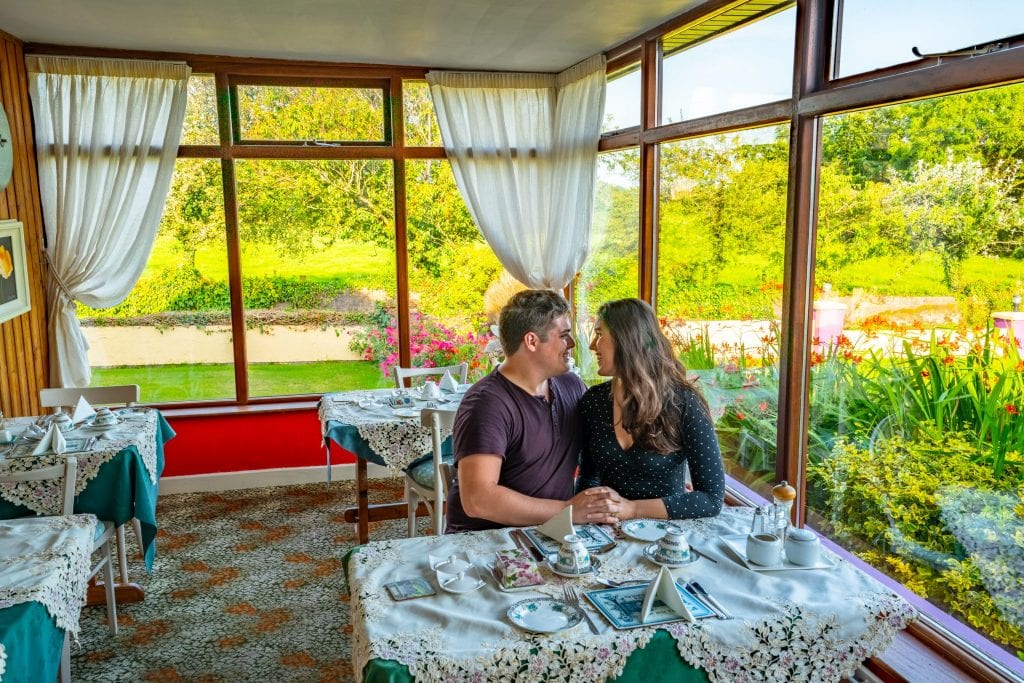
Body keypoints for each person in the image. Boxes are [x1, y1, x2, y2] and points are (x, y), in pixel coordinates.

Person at [446, 289, 602, 532]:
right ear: (531, 341)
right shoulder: (487, 404)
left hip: (551, 533)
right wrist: (569, 510)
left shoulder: (571, 385)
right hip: (485, 542)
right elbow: (478, 500)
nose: (571, 343)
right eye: (563, 335)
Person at [575, 298, 725, 522]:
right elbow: (588, 479)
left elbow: (711, 498)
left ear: (626, 339)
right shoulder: (593, 402)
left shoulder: (683, 402)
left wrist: (633, 509)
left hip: (668, 538)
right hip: (605, 531)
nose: (592, 345)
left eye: (599, 334)